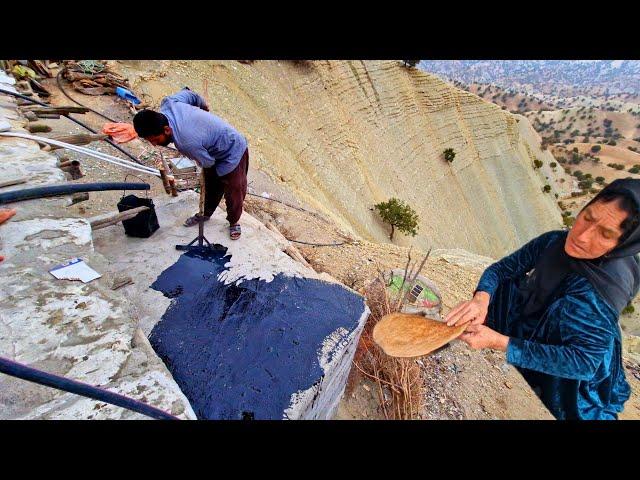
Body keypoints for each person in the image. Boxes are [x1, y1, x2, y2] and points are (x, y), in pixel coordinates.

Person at [445, 178, 640, 419]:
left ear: (620, 246)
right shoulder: (554, 242)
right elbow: (502, 269)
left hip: (574, 355)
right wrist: (481, 299)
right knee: (506, 284)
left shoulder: (600, 292)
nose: (582, 235)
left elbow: (583, 362)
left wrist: (500, 342)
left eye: (605, 234)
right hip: (538, 322)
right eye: (588, 217)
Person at [133, 88, 249, 240]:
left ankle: (234, 221)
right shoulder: (169, 103)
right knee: (210, 186)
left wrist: (203, 109)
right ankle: (205, 214)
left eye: (155, 140)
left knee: (234, 190)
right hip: (210, 149)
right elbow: (190, 94)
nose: (154, 145)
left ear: (166, 130)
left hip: (232, 149)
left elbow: (208, 162)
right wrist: (203, 107)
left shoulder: (185, 142)